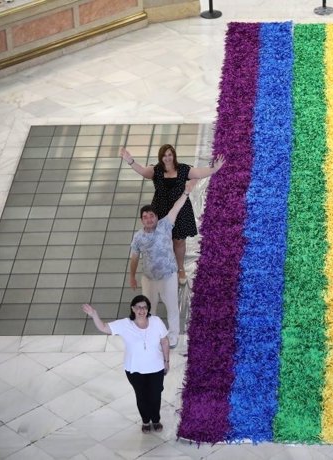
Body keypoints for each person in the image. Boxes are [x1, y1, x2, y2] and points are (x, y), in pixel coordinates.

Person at [120, 144, 225, 285]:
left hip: (180, 209)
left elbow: (200, 173)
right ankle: (164, 266)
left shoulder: (183, 169)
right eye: (164, 155)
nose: (167, 158)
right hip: (160, 209)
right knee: (162, 239)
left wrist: (215, 169)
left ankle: (180, 268)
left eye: (170, 155)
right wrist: (130, 161)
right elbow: (144, 172)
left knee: (179, 240)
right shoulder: (155, 170)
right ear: (160, 157)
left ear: (174, 156)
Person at [82, 296, 170, 433]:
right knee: (141, 396)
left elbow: (164, 341)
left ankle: (156, 419)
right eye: (138, 307)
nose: (142, 310)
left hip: (156, 368)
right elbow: (104, 327)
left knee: (155, 395)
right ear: (133, 308)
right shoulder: (125, 324)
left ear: (148, 309)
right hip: (134, 370)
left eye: (145, 307)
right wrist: (94, 314)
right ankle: (146, 421)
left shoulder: (156, 321)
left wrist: (166, 361)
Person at [130, 183, 193, 349]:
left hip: (168, 275)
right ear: (141, 220)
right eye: (145, 217)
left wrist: (186, 192)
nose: (149, 219)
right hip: (149, 278)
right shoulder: (138, 237)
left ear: (157, 217)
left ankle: (173, 338)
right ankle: (152, 335)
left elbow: (176, 208)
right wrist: (132, 277)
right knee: (149, 309)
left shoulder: (165, 225)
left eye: (152, 215)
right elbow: (134, 257)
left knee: (172, 307)